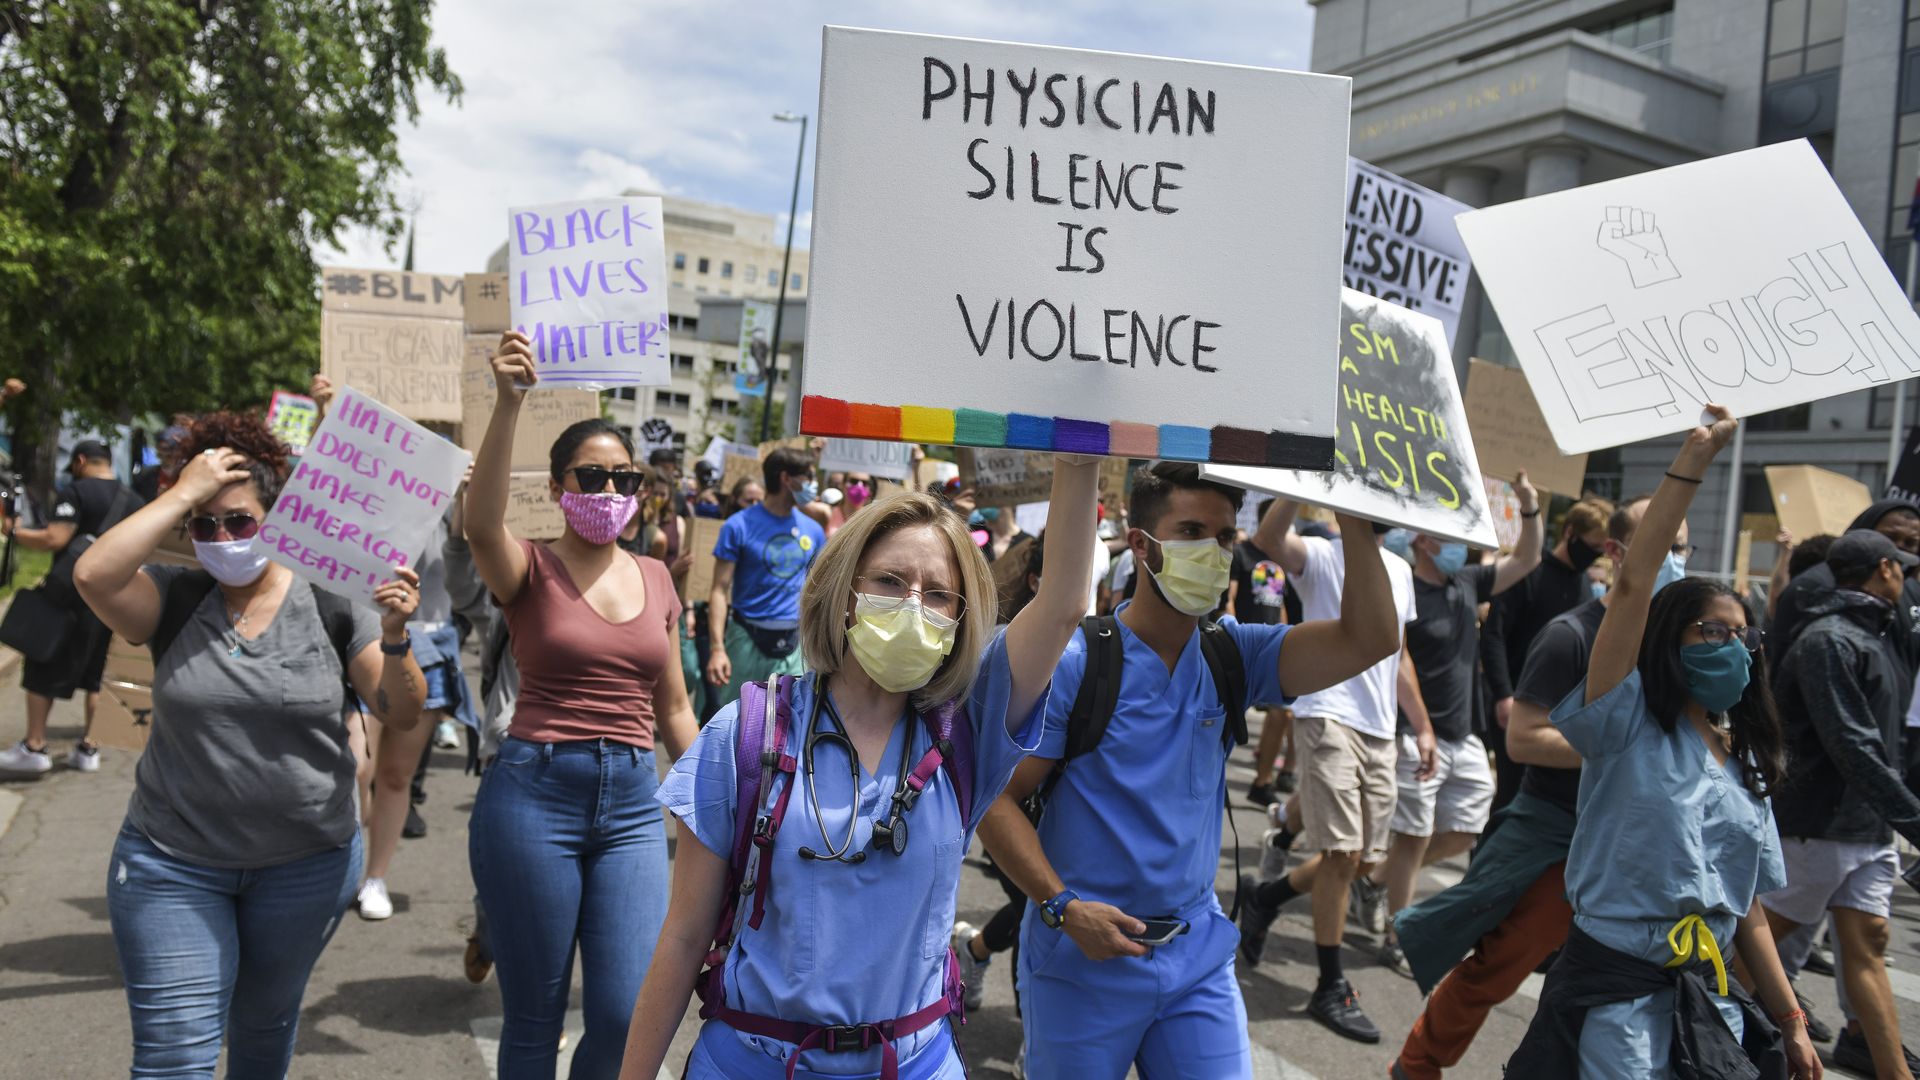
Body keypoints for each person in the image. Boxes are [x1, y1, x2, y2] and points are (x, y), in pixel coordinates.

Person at [618, 459, 1100, 1079]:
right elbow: (684, 936)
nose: (913, 606)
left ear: (959, 622)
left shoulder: (968, 731)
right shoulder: (746, 733)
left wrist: (1079, 454)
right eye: (892, 582)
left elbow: (1063, 602)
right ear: (846, 593)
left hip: (916, 1063)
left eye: (939, 594)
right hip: (753, 1063)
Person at [979, 466, 1402, 1076]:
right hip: (1082, 960)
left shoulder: (1236, 654)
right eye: (1192, 530)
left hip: (1196, 959)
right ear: (1143, 544)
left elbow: (1371, 638)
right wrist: (1063, 908)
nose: (1213, 551)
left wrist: (1356, 516)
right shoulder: (1077, 660)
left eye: (1226, 537)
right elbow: (997, 800)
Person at [69, 412, 425, 1076]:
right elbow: (91, 575)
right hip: (172, 864)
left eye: (239, 522)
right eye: (204, 526)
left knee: (263, 1031)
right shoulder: (174, 598)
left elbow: (400, 710)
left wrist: (398, 634)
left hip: (306, 868)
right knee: (177, 1055)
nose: (221, 537)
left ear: (280, 519)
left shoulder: (335, 600)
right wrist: (182, 491)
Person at [1503, 405, 1819, 1080]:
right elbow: (1635, 586)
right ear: (1668, 643)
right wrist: (1693, 462)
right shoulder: (1623, 722)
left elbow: (1746, 907)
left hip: (1710, 1005)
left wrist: (1792, 1022)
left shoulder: (1745, 759)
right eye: (1712, 631)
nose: (1732, 645)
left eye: (1742, 635)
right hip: (1616, 1005)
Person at [465, 331, 702, 1077]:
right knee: (534, 1018)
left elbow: (672, 709)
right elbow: (478, 523)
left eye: (623, 480)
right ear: (559, 486)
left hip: (633, 804)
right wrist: (509, 405)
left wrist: (728, 796)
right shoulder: (526, 566)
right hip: (534, 795)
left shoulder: (659, 578)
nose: (608, 493)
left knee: (627, 1013)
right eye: (591, 477)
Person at [1386, 492, 1681, 1078]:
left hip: (1642, 846)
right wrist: (1623, 749)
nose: (1673, 557)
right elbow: (1523, 740)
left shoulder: (1681, 644)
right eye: (1660, 545)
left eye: (1679, 545)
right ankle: (1417, 1065)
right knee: (1498, 966)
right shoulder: (1569, 637)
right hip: (1558, 841)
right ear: (1617, 553)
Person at [1235, 498, 1422, 1044]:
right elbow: (1269, 538)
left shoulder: (1401, 569)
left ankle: (1265, 897)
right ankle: (1330, 984)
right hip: (1325, 713)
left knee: (1366, 860)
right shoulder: (1320, 552)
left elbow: (1399, 655)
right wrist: (1305, 483)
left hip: (1380, 728)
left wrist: (1423, 725)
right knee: (1341, 855)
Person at [1364, 473, 1543, 973]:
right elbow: (1400, 663)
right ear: (1423, 540)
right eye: (1450, 537)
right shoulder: (1403, 586)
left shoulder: (1468, 582)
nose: (1460, 546)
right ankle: (1398, 934)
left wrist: (1528, 508)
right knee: (1415, 837)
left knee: (1464, 831)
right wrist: (1420, 727)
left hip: (1462, 734)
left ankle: (1375, 879)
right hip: (1415, 733)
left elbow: (1528, 559)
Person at [1768, 529, 1920, 1079]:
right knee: (1759, 943)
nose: (1907, 575)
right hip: (1817, 824)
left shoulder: (1876, 636)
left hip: (1864, 824)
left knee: (1869, 946)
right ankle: (1691, 1028)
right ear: (1885, 569)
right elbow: (1851, 743)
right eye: (1902, 565)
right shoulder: (1828, 640)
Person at [0, 438, 145, 777]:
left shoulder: (77, 492)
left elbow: (55, 538)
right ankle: (88, 748)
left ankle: (34, 747)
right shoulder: (136, 501)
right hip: (112, 600)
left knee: (41, 664)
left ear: (80, 460)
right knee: (97, 676)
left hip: (69, 598)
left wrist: (14, 530)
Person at [1480, 494, 1616, 818]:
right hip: (1517, 702)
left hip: (1561, 712)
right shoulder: (1528, 573)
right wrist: (1503, 694)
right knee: (1510, 795)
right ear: (1570, 532)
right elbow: (1494, 635)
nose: (1595, 555)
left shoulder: (1584, 585)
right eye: (1592, 545)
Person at [706, 447, 826, 712]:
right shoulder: (737, 525)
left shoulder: (814, 530)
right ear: (786, 479)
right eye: (808, 477)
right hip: (746, 638)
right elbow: (718, 590)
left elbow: (819, 591)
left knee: (789, 723)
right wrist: (717, 648)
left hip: (794, 643)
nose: (813, 485)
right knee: (738, 720)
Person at [1231, 498, 1293, 806]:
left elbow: (1279, 603)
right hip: (1243, 643)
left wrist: (1285, 637)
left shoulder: (1279, 561)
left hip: (1270, 647)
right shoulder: (1242, 554)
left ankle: (1262, 780)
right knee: (1230, 713)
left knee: (1284, 713)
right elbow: (1228, 598)